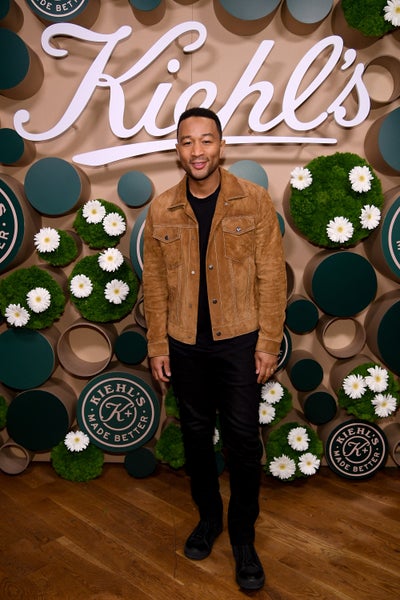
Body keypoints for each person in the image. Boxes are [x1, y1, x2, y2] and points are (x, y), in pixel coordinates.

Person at [142, 107, 287, 591]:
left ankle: (243, 536)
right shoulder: (162, 209)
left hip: (240, 341)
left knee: (244, 441)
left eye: (206, 140)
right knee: (197, 438)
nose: (197, 151)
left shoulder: (254, 200)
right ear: (178, 151)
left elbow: (272, 277)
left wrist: (268, 342)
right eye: (187, 142)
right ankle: (209, 519)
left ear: (221, 147)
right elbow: (154, 284)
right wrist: (158, 343)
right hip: (184, 344)